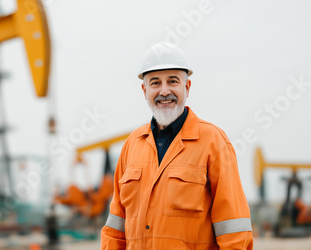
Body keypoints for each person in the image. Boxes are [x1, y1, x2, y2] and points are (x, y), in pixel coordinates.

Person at [100, 42, 253, 249]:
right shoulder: (132, 145)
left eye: (172, 81)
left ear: (187, 87)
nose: (164, 91)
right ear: (144, 90)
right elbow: (115, 228)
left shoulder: (214, 142)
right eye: (155, 83)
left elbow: (234, 230)